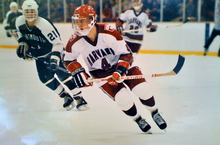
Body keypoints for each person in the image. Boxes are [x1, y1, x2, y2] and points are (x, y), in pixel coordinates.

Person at [63, 4, 167, 133]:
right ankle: (138, 118)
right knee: (123, 99)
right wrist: (77, 70)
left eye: (82, 21)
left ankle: (154, 112)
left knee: (143, 90)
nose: (79, 24)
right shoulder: (75, 40)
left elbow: (127, 54)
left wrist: (119, 71)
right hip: (100, 74)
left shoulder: (108, 32)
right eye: (77, 21)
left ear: (92, 20)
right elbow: (68, 59)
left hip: (122, 65)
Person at [15, 0, 88, 111]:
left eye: (32, 11)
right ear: (23, 12)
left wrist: (54, 59)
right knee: (45, 78)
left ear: (36, 11)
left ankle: (79, 98)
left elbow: (58, 43)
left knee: (64, 76)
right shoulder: (19, 22)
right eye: (27, 11)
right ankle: (66, 97)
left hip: (53, 53)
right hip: (39, 56)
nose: (30, 14)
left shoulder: (43, 24)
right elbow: (21, 36)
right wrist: (22, 44)